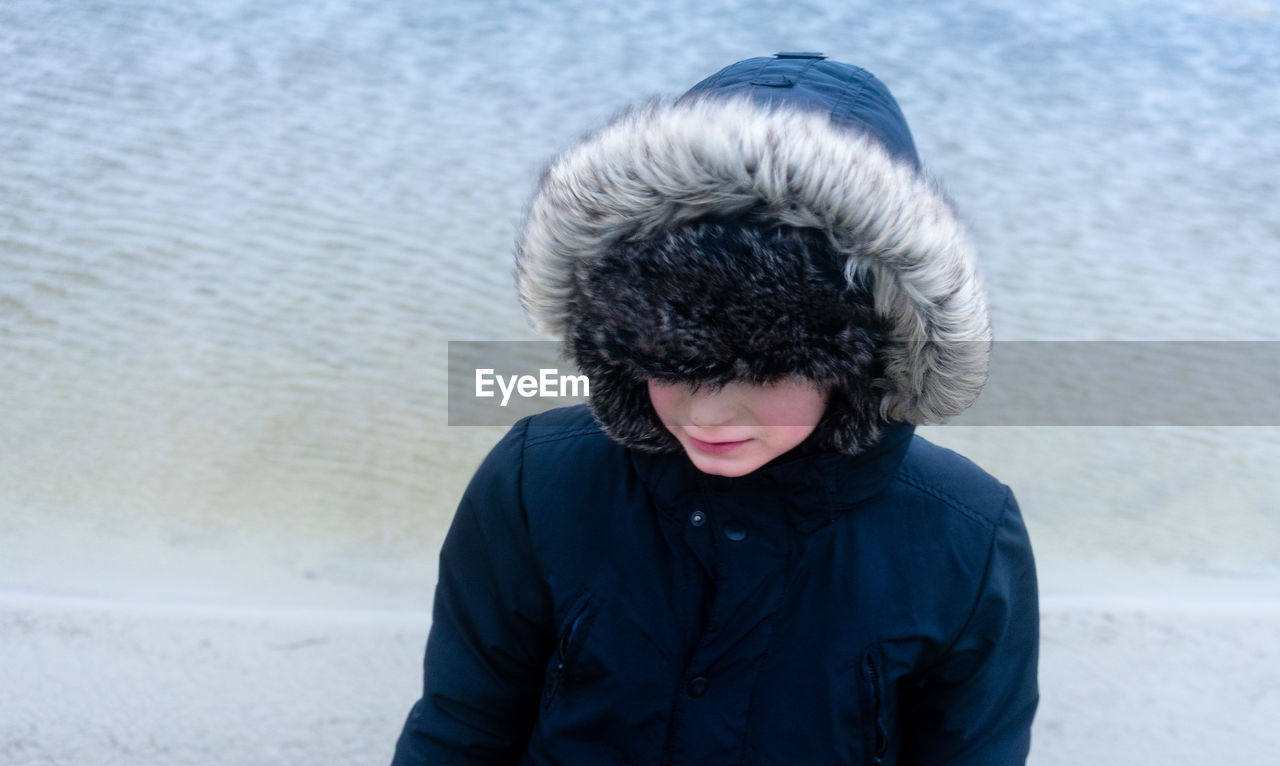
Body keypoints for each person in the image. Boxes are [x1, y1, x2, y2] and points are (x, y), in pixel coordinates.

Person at [392, 53, 1039, 765]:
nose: (708, 415)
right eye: (673, 360)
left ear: (869, 351)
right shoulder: (535, 483)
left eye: (764, 370)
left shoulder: (965, 537)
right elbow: (461, 727)